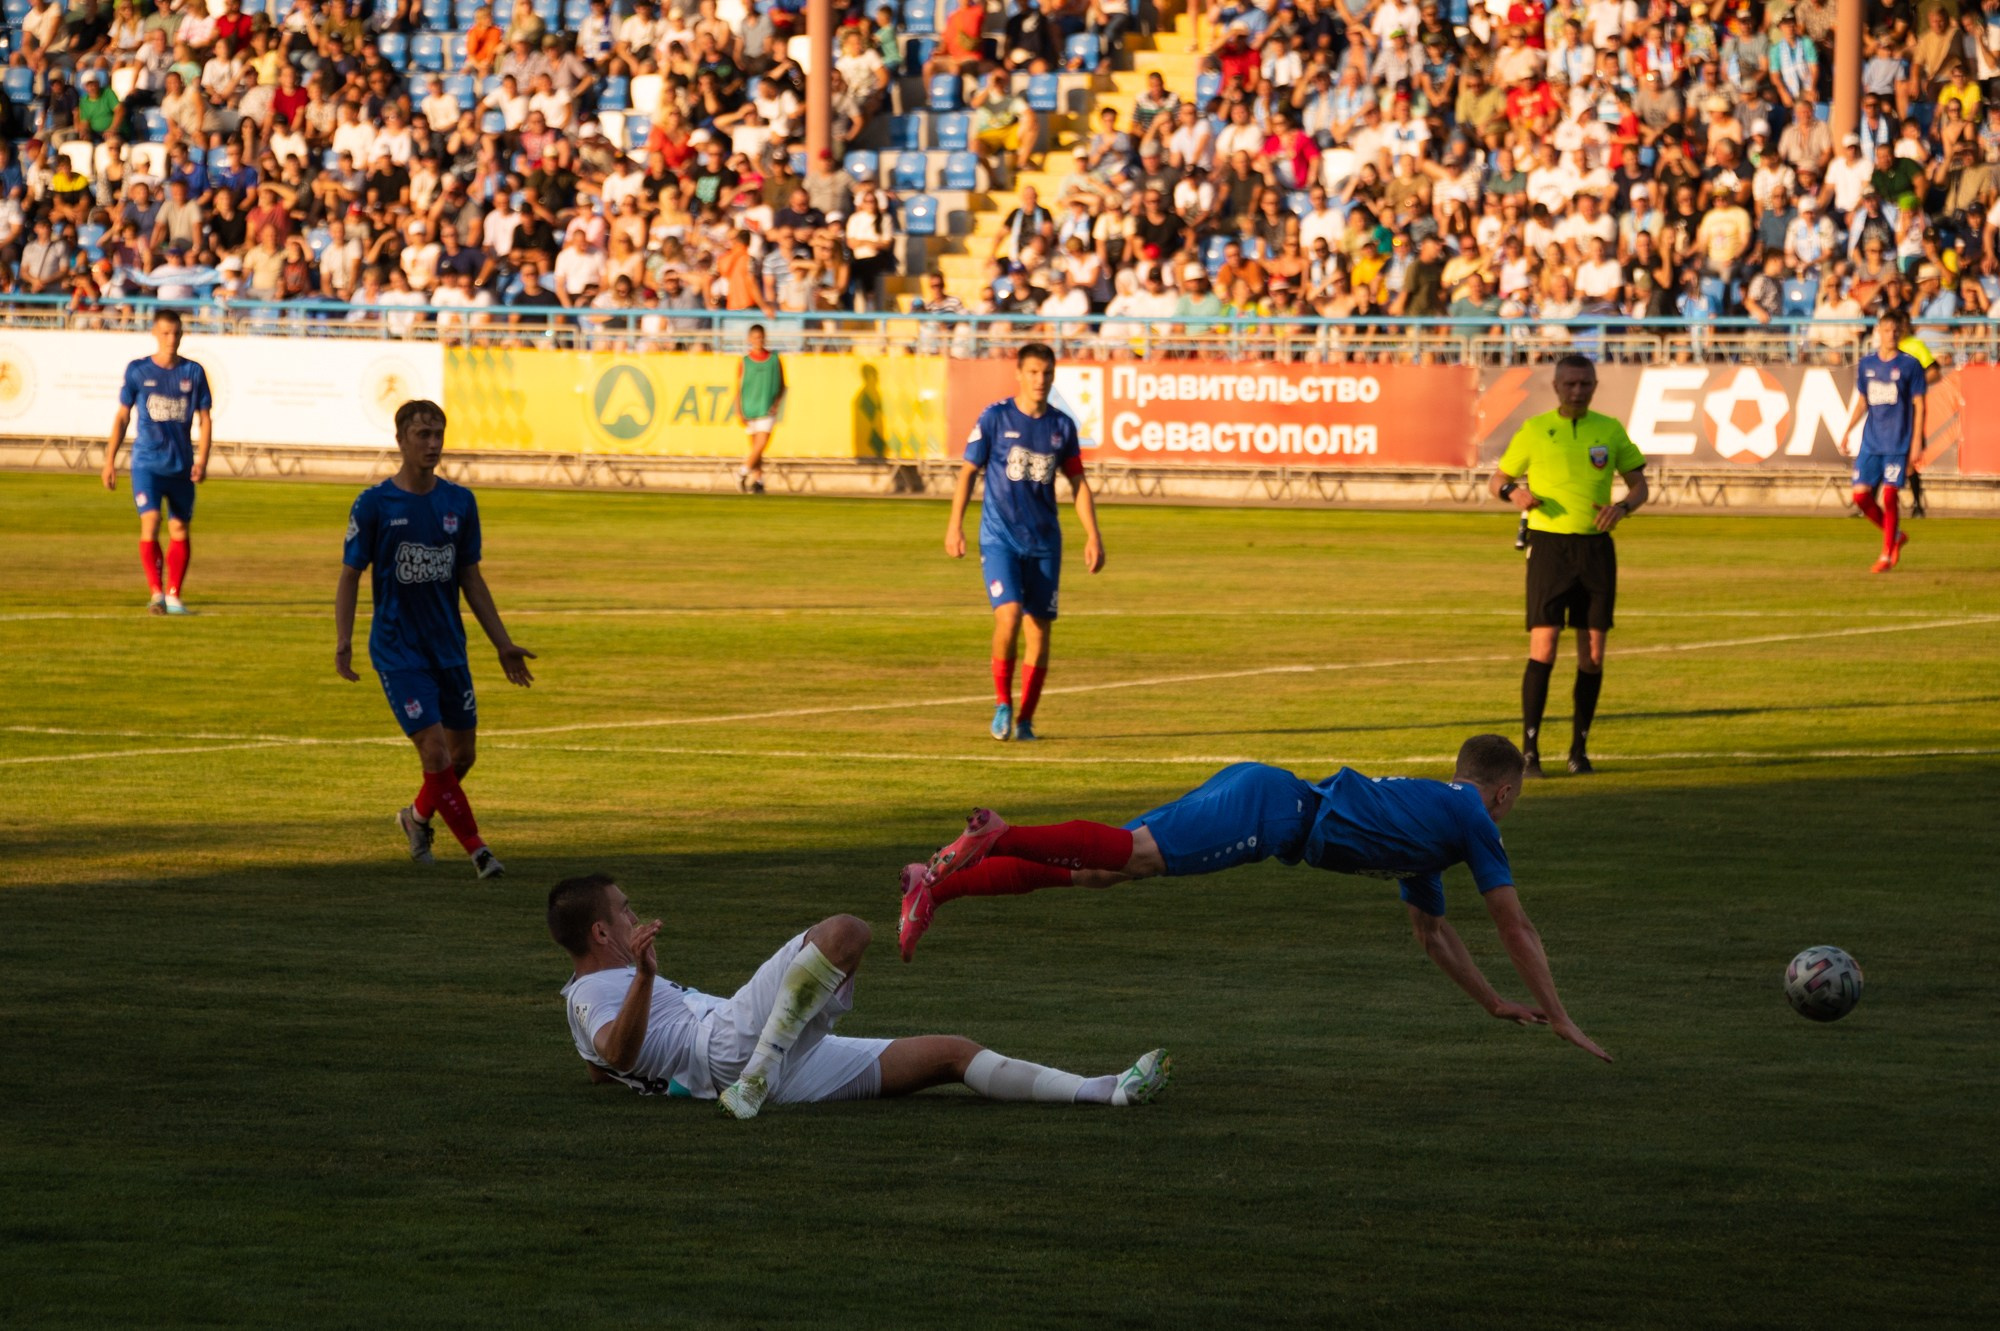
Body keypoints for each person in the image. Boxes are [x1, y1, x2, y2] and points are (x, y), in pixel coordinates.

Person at [895, 736, 1611, 1064]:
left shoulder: (1435, 828)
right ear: (1505, 791)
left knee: (1102, 869)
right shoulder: (1474, 818)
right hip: (1270, 812)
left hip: (1266, 795)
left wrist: (1492, 1002)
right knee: (1132, 855)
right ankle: (1000, 831)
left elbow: (1432, 933)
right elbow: (1513, 923)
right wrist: (1565, 1018)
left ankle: (936, 885)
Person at [549, 874, 1171, 1119]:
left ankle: (1103, 1089)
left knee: (950, 1055)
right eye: (626, 910)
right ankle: (757, 1078)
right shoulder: (599, 990)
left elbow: (603, 1067)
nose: (637, 915)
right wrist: (648, 979)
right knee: (846, 933)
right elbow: (618, 1052)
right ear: (602, 932)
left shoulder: (590, 995)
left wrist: (636, 1073)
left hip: (760, 1063)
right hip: (727, 1052)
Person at [334, 400, 536, 880]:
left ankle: (416, 817)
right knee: (436, 752)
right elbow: (349, 576)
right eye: (422, 434)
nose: (431, 444)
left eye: (437, 434)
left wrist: (502, 643)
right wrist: (343, 639)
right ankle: (480, 852)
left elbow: (470, 577)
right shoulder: (375, 504)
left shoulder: (459, 503)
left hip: (448, 648)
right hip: (398, 650)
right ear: (401, 439)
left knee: (462, 756)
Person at [1487, 355, 1649, 778]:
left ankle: (1579, 750)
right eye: (1570, 384)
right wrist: (1513, 494)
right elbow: (1497, 479)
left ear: (1595, 385)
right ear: (1556, 386)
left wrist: (1622, 508)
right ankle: (1529, 753)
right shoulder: (1535, 429)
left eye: (1585, 384)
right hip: (1549, 547)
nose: (1578, 391)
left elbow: (1640, 485)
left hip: (1596, 549)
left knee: (1593, 655)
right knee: (1544, 648)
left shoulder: (1609, 429)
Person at [944, 342, 1105, 743]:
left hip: (1045, 542)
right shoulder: (996, 418)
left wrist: (1093, 534)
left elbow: (1077, 482)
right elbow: (967, 473)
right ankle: (1002, 702)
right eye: (1033, 372)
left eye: (1046, 373)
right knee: (1010, 615)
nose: (1040, 380)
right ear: (1019, 373)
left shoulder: (1061, 427)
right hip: (999, 538)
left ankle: (1026, 720)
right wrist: (954, 526)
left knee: (1039, 631)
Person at [103, 309, 213, 616]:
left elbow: (204, 420)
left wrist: (203, 459)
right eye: (165, 333)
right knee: (151, 521)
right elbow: (123, 415)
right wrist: (109, 460)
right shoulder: (138, 371)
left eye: (176, 334)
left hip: (180, 465)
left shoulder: (193, 372)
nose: (171, 340)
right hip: (147, 463)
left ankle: (174, 595)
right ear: (154, 333)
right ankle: (156, 594)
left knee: (180, 528)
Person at [1836, 313, 1924, 573]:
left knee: (1889, 494)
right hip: (1871, 440)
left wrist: (1917, 440)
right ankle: (1895, 535)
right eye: (1887, 330)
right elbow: (1863, 400)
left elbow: (1919, 403)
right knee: (1860, 496)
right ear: (1879, 332)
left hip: (1898, 441)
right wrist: (1847, 430)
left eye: (1896, 330)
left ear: (1901, 332)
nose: (1891, 334)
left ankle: (1886, 553)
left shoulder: (1910, 365)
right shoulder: (1867, 364)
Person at [734, 322, 785, 493]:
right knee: (756, 448)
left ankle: (742, 472)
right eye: (755, 337)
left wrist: (776, 403)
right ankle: (759, 481)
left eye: (761, 337)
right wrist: (738, 409)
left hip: (766, 407)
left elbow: (782, 384)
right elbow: (738, 388)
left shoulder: (774, 359)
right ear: (749, 339)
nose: (758, 340)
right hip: (750, 407)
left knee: (761, 443)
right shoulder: (745, 361)